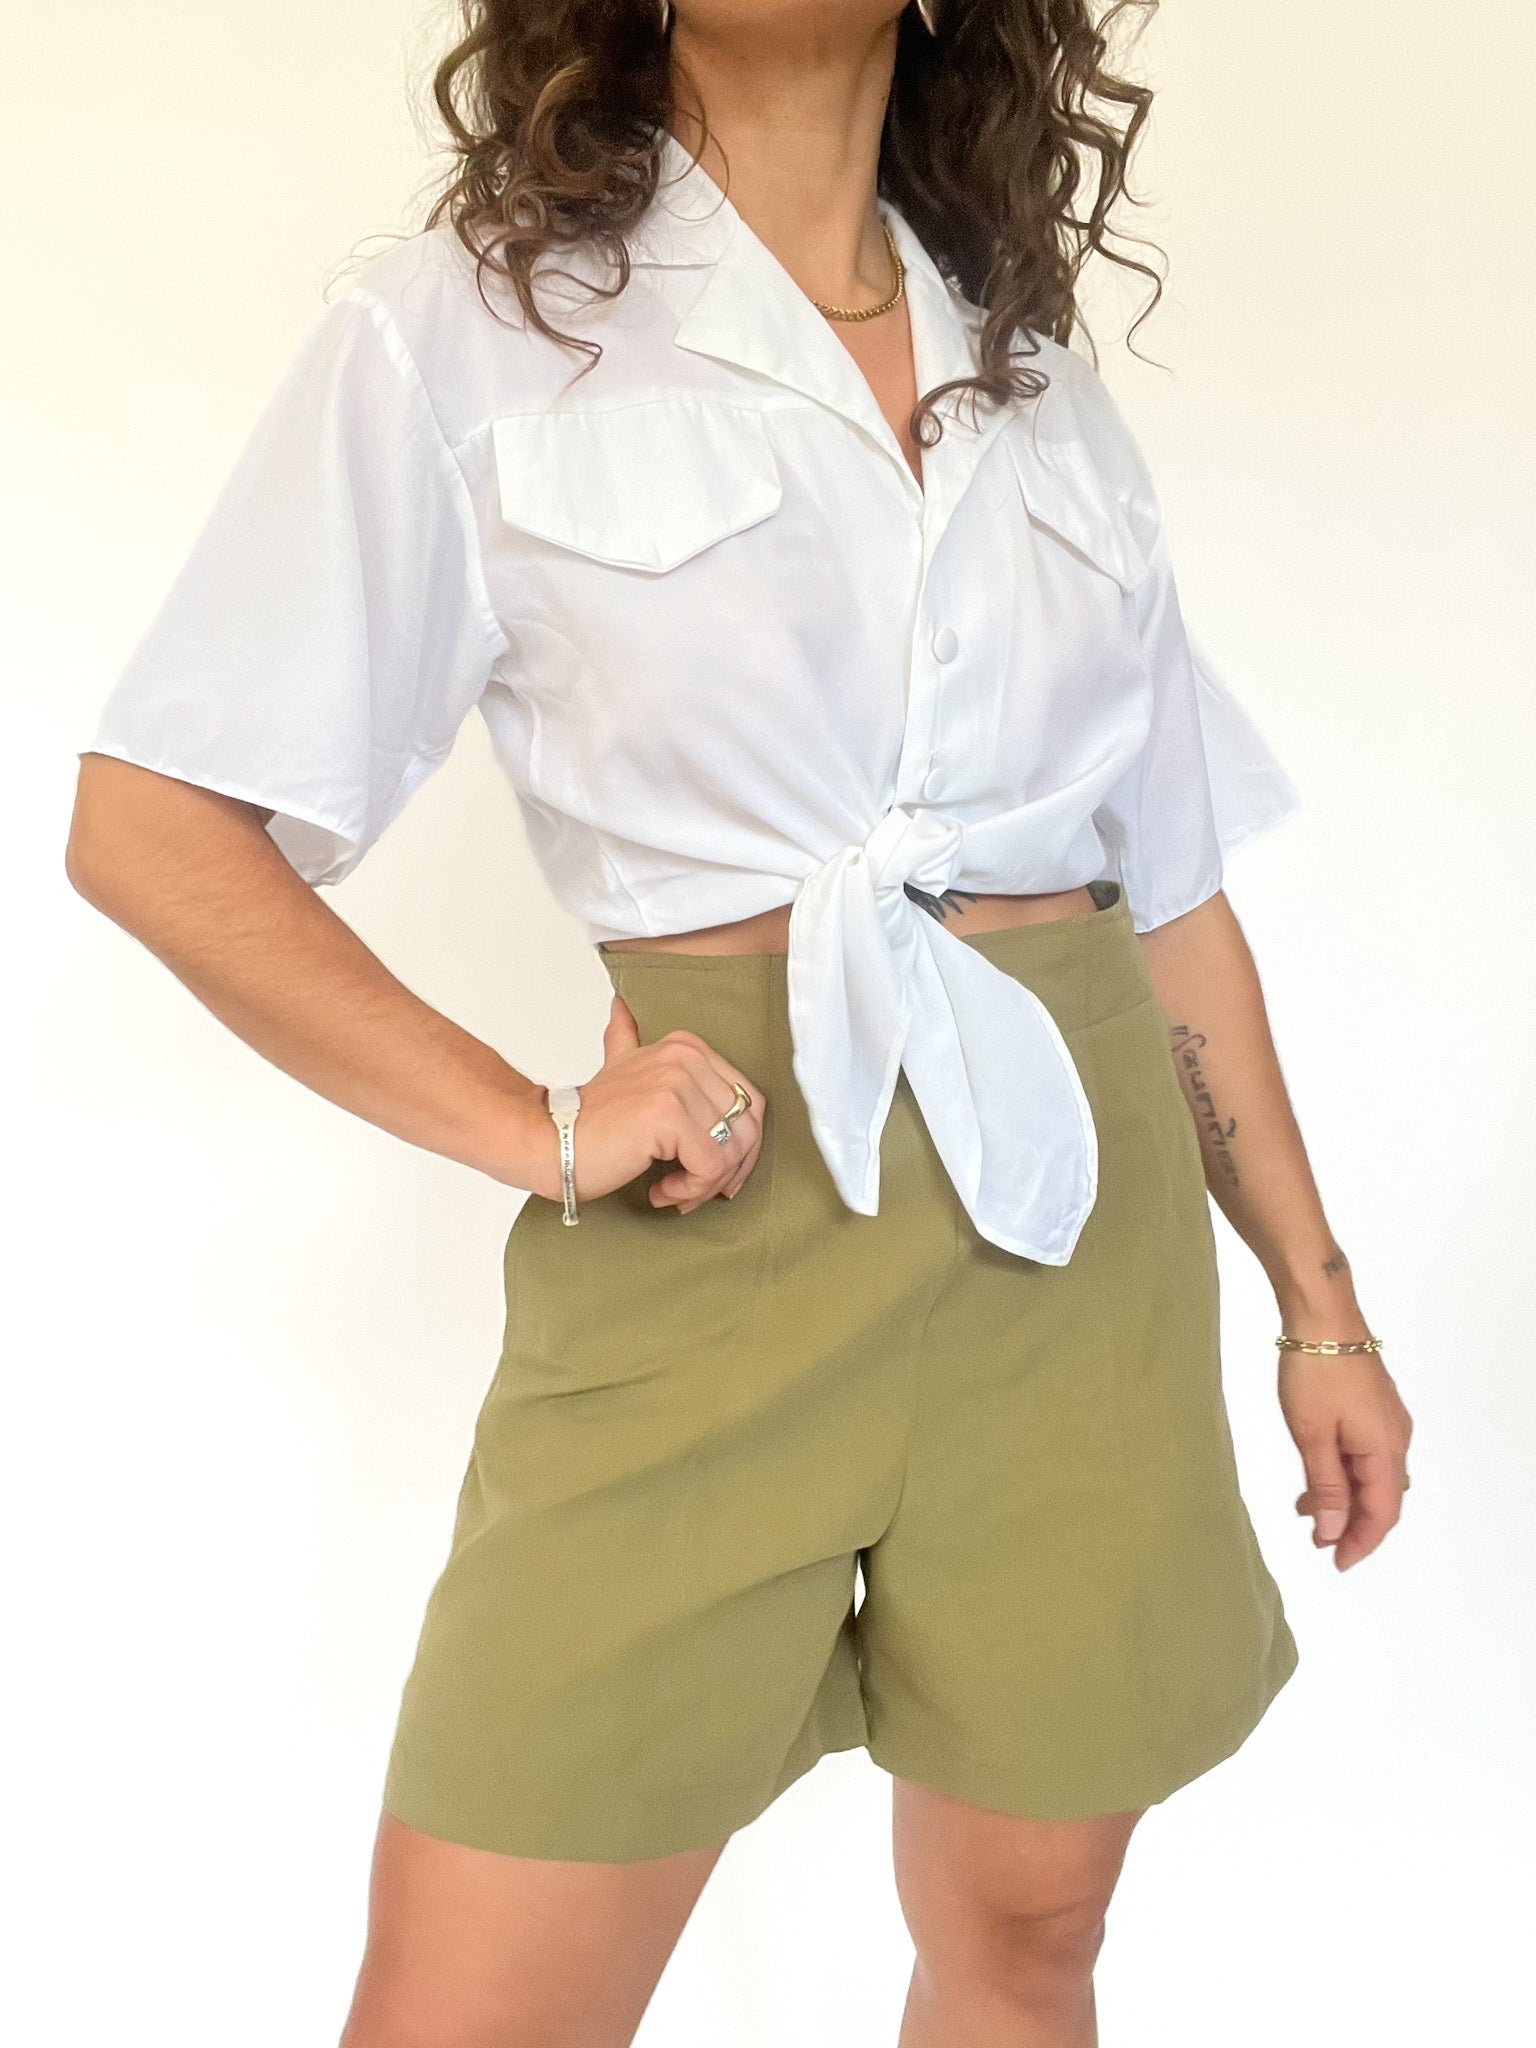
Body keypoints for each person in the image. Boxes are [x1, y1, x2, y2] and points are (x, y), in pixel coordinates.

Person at [65, 3, 1414, 2043]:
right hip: (720, 1226)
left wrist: (1320, 1304)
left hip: (1076, 1252)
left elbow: (1169, 886)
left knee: (1029, 1939)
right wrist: (532, 1122)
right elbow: (155, 821)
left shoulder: (1033, 385)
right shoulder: (466, 338)